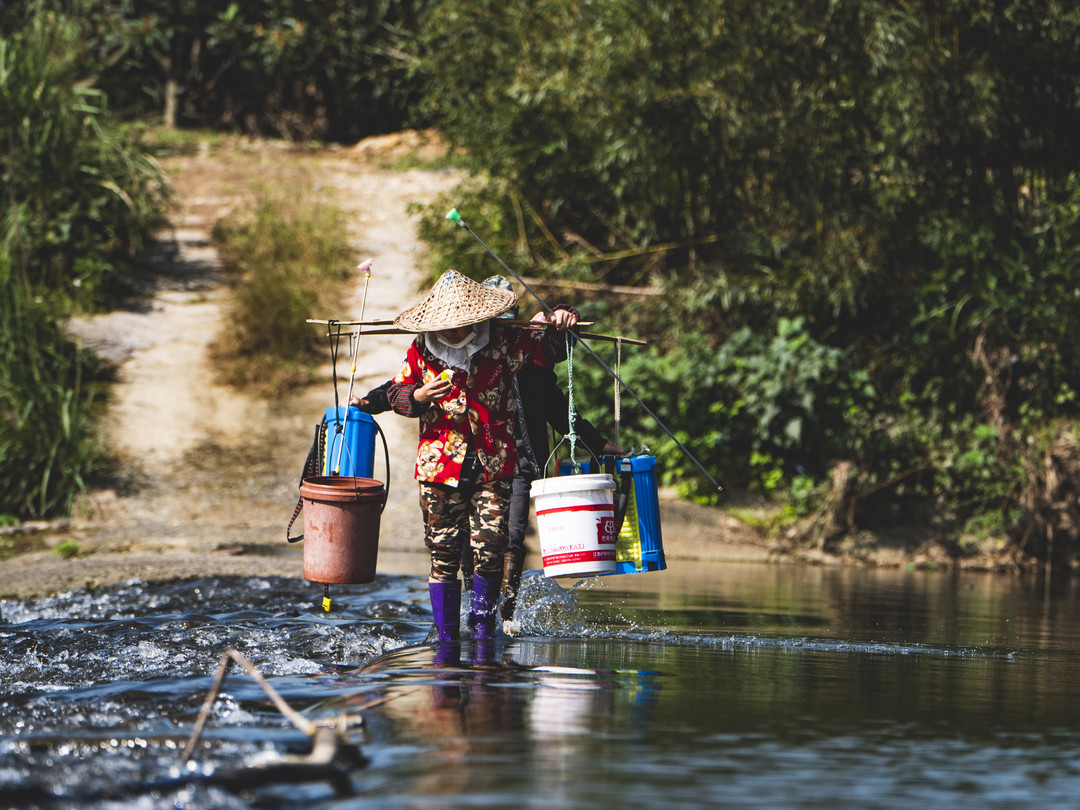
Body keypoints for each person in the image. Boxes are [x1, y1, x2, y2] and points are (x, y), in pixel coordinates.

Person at [385, 268, 580, 643]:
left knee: (491, 548)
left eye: (459, 324)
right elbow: (396, 393)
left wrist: (561, 316)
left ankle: (482, 632)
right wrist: (420, 397)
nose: (452, 331)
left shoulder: (503, 342)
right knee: (443, 555)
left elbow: (551, 350)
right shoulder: (422, 349)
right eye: (446, 324)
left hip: (493, 463)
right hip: (439, 468)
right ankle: (446, 639)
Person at [477, 277, 622, 626]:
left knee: (512, 539)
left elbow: (557, 406)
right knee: (480, 544)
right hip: (477, 463)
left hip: (521, 461)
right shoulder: (471, 351)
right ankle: (475, 612)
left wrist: (562, 315)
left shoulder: (530, 353)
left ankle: (506, 619)